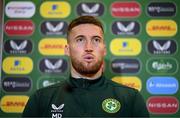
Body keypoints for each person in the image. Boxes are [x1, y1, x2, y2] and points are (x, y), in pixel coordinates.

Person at [22, 16, 149, 117]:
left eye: (96, 40)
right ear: (67, 49)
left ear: (104, 49)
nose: (89, 48)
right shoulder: (41, 99)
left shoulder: (131, 99)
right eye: (80, 40)